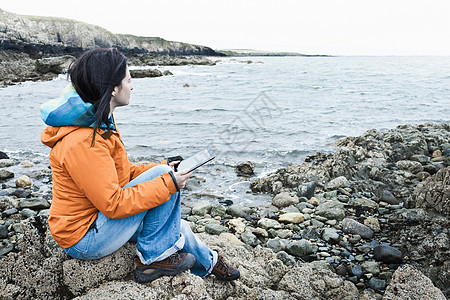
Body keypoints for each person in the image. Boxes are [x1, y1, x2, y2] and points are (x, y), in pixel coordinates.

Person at [40, 48, 240, 283]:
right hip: (84, 238)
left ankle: (209, 263)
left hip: (97, 221)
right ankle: (153, 260)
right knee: (165, 182)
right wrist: (168, 183)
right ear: (114, 88)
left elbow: (122, 173)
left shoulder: (99, 125)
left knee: (174, 222)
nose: (132, 86)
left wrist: (163, 167)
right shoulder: (83, 141)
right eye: (128, 80)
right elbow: (113, 204)